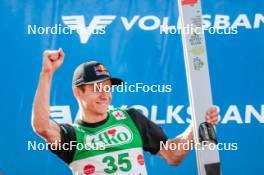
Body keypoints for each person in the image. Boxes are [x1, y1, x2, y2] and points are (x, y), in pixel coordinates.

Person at [32, 48, 219, 175]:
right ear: (77, 92)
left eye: (108, 88)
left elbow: (173, 155)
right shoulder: (72, 136)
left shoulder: (130, 118)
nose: (105, 95)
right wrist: (46, 74)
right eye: (97, 89)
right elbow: (42, 127)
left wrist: (197, 124)